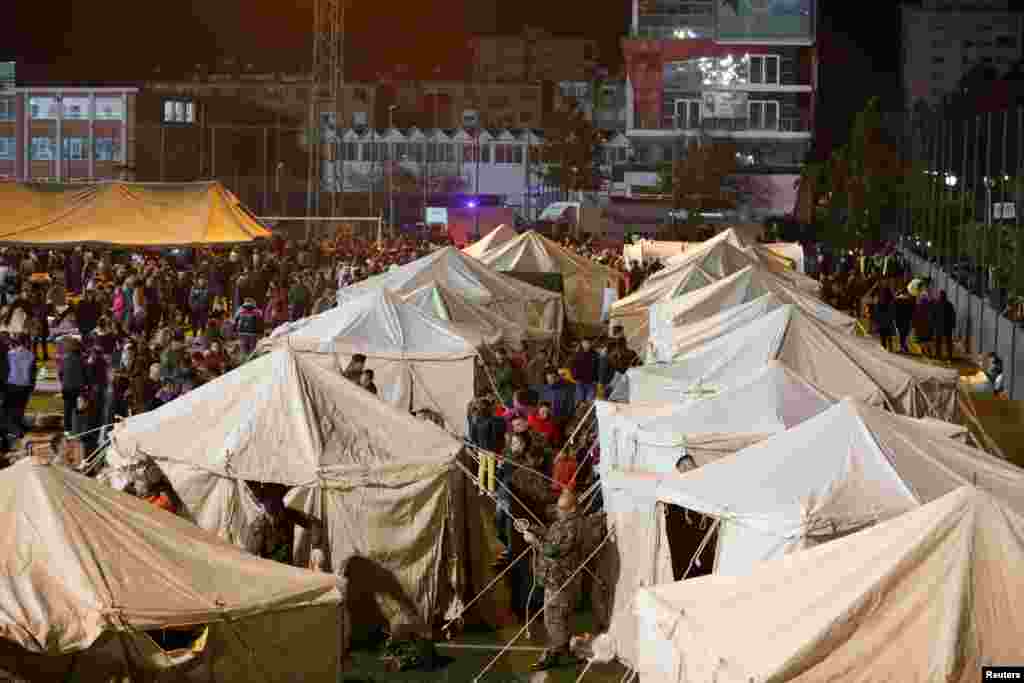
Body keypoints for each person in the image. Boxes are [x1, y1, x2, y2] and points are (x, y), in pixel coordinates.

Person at [523, 489, 584, 671]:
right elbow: (552, 534)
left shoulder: (571, 527)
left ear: (572, 509)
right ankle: (564, 648)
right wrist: (533, 528)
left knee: (553, 617)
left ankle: (556, 653)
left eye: (562, 509)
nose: (558, 511)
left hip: (560, 580)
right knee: (561, 617)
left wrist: (534, 541)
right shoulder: (568, 523)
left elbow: (553, 550)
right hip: (560, 579)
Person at [5, 334, 36, 440]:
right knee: (21, 406)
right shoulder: (31, 355)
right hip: (25, 384)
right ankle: (18, 426)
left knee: (12, 407)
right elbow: (33, 372)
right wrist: (32, 385)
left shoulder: (10, 354)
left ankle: (15, 427)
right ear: (27, 342)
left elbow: (6, 369)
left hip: (12, 383)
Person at [931, 290, 956, 362]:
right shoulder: (949, 304)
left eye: (940, 295)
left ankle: (938, 354)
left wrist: (933, 324)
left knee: (939, 341)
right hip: (947, 326)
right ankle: (949, 356)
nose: (940, 296)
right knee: (947, 342)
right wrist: (953, 325)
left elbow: (933, 315)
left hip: (940, 325)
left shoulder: (937, 304)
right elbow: (953, 315)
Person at [570, 339, 598, 404]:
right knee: (579, 400)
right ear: (582, 344)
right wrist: (575, 377)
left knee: (590, 401)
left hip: (591, 382)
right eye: (585, 343)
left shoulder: (595, 355)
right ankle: (579, 413)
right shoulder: (577, 355)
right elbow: (572, 366)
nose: (586, 345)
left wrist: (596, 379)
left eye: (588, 343)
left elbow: (598, 367)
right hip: (580, 381)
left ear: (590, 344)